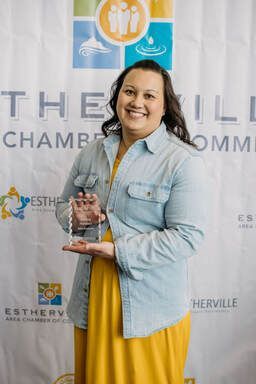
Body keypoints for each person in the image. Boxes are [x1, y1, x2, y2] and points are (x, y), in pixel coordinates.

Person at [56, 59, 208, 384]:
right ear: (117, 99)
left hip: (149, 307)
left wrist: (117, 251)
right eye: (129, 92)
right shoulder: (92, 153)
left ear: (165, 106)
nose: (137, 102)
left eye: (149, 96)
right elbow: (62, 208)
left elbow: (187, 237)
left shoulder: (182, 161)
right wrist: (76, 216)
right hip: (93, 297)